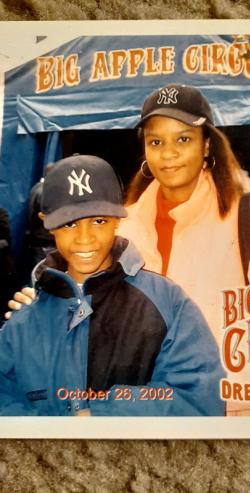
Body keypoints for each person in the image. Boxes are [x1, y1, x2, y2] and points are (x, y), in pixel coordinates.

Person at [7, 84, 250, 416]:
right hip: (138, 418)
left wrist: (206, 395)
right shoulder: (123, 227)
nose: (168, 153)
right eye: (156, 141)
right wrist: (44, 309)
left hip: (232, 422)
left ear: (207, 144)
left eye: (183, 139)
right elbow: (91, 310)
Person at [0, 154, 224, 416]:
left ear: (118, 219)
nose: (85, 239)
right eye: (69, 223)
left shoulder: (166, 301)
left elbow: (200, 398)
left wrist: (100, 416)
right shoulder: (23, 319)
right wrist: (55, 433)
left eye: (99, 221)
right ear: (47, 223)